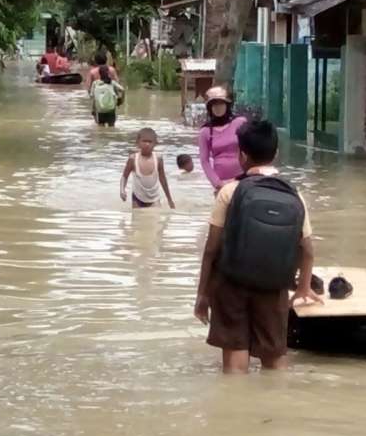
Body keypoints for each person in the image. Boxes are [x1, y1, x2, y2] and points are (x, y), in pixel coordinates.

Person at [193, 120, 322, 374]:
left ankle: (237, 409)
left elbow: (211, 250)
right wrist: (304, 286)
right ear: (275, 154)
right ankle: (274, 408)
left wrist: (203, 294)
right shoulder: (294, 195)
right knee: (274, 357)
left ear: (242, 155)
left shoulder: (229, 191)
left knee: (235, 358)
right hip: (274, 287)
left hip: (232, 284)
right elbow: (307, 250)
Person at [198, 86, 248, 192]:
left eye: (221, 103)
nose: (218, 107)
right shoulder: (205, 131)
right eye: (214, 104)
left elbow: (250, 149)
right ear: (209, 108)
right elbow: (204, 161)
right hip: (221, 182)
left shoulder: (240, 122)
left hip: (243, 179)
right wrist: (217, 183)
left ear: (227, 105)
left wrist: (248, 176)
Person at [120, 128, 176, 209]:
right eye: (144, 141)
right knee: (137, 219)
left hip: (154, 198)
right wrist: (122, 190)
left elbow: (163, 179)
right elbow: (124, 176)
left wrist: (169, 199)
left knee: (155, 219)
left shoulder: (158, 159)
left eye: (150, 142)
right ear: (138, 143)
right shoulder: (133, 159)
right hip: (137, 198)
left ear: (155, 144)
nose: (147, 144)